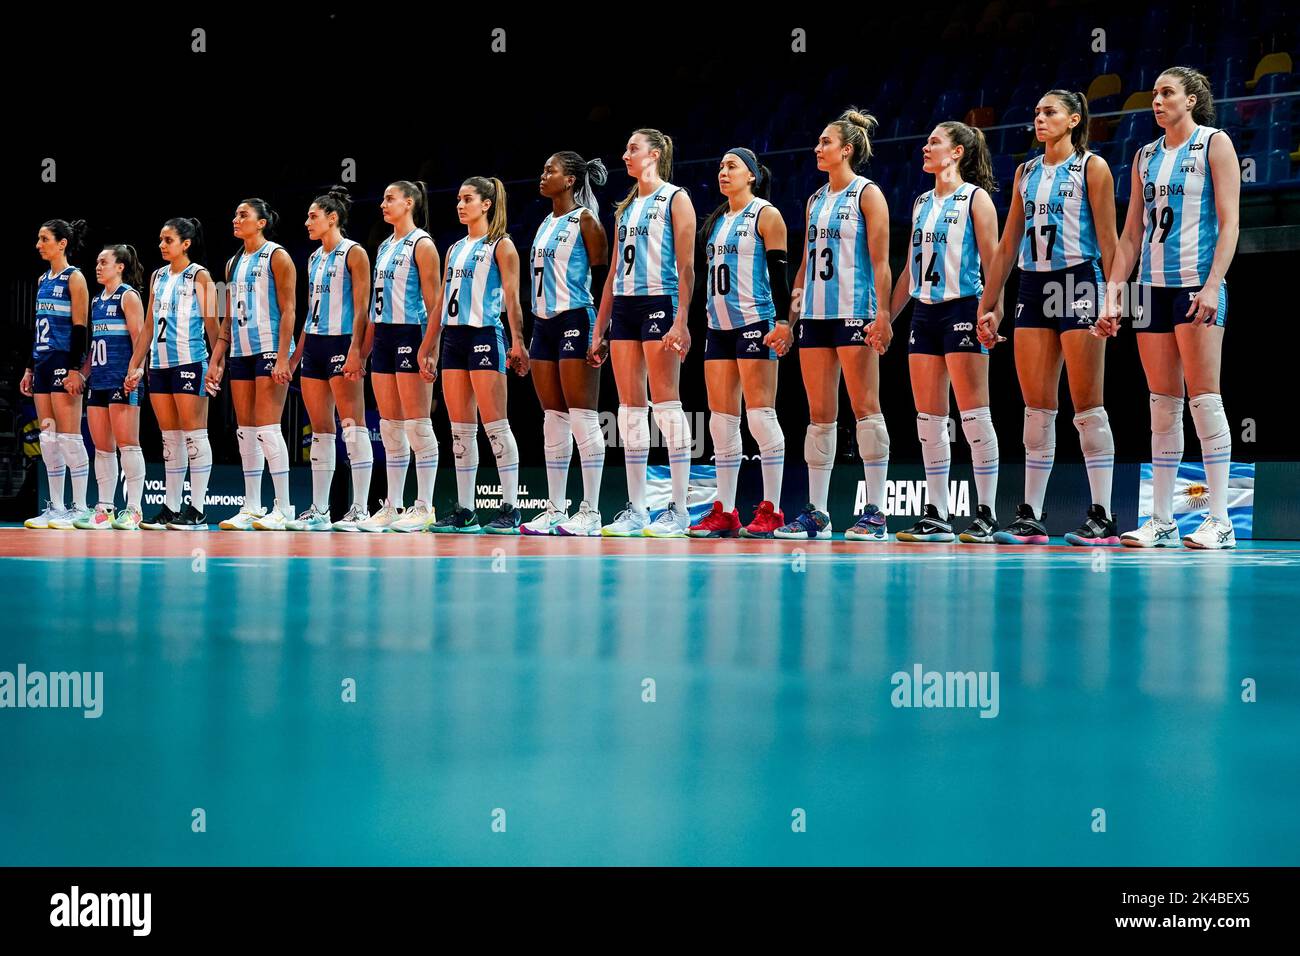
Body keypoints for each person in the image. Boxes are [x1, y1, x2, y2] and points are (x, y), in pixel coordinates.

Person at [1098, 67, 1240, 550]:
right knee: (1162, 406)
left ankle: (1219, 519)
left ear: (1192, 99)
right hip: (1152, 289)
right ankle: (1162, 519)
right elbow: (1132, 233)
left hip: (1196, 284)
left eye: (1166, 93)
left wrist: (1212, 285)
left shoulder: (1214, 144)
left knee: (1204, 400)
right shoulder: (1144, 156)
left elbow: (1230, 224)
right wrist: (1115, 291)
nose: (1156, 101)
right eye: (1155, 93)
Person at [978, 90, 1120, 546]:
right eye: (1036, 111)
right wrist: (988, 302)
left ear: (1074, 119)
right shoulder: (1026, 171)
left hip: (1079, 279)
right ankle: (1031, 517)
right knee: (1036, 410)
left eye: (1050, 112)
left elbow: (1111, 239)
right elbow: (1006, 245)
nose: (1039, 118)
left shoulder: (1091, 167)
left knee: (1086, 406)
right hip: (1033, 285)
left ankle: (1102, 515)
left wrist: (1113, 298)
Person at [774, 110, 893, 542]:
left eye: (825, 142)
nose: (817, 148)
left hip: (855, 313)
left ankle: (876, 513)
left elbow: (881, 262)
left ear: (846, 149)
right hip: (816, 318)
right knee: (819, 417)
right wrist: (789, 320)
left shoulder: (868, 194)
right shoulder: (815, 199)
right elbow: (805, 265)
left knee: (867, 410)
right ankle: (818, 514)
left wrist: (882, 314)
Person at [883, 122, 1001, 543]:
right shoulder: (920, 203)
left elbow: (994, 262)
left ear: (957, 153)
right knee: (930, 420)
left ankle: (986, 513)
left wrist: (993, 312)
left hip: (964, 307)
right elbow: (909, 270)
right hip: (924, 314)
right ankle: (937, 514)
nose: (925, 146)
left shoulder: (975, 199)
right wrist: (886, 318)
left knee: (973, 415)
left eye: (934, 141)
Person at [587, 128, 697, 537]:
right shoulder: (626, 208)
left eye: (633, 148)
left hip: (660, 302)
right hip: (626, 309)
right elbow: (614, 272)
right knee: (630, 410)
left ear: (655, 154)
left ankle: (681, 510)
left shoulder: (675, 198)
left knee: (667, 404)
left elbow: (687, 266)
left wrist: (682, 319)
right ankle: (637, 510)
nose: (626, 154)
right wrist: (599, 329)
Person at [687, 148, 791, 538]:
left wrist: (783, 322)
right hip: (719, 327)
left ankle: (773, 510)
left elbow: (781, 276)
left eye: (731, 166)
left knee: (760, 416)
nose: (722, 171)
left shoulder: (766, 214)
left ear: (752, 175)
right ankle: (726, 510)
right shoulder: (716, 222)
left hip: (755, 322)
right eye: (719, 166)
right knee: (722, 421)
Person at [421, 177, 530, 534]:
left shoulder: (502, 245)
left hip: (485, 334)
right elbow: (439, 303)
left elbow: (513, 299)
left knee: (495, 425)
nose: (460, 204)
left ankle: (511, 508)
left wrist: (518, 341)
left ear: (486, 204)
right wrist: (428, 346)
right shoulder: (453, 249)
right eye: (457, 198)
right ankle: (465, 511)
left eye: (467, 199)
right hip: (453, 340)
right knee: (460, 430)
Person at [521, 152, 610, 536]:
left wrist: (601, 332)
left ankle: (591, 511)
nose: (543, 176)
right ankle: (556, 508)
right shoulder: (544, 223)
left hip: (576, 317)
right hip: (543, 324)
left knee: (582, 416)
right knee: (552, 419)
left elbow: (606, 278)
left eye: (550, 170)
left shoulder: (585, 221)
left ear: (570, 180)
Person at [287, 187, 374, 531]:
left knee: (352, 425)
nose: (307, 222)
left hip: (342, 343)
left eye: (313, 216)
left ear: (332, 217)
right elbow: (310, 311)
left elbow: (363, 307)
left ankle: (360, 508)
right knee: (321, 430)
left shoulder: (353, 253)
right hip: (315, 345)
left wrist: (356, 351)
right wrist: (295, 356)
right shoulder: (313, 258)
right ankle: (320, 509)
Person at [22, 219, 90, 529]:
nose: (38, 245)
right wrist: (29, 367)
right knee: (48, 437)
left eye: (44, 238)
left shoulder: (74, 278)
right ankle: (56, 507)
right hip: (42, 363)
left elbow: (80, 328)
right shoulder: (41, 280)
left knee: (69, 438)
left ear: (62, 243)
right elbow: (34, 328)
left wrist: (76, 369)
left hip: (64, 360)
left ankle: (80, 507)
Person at [74, 245, 147, 529]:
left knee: (128, 444)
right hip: (100, 381)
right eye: (97, 261)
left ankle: (134, 509)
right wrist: (83, 374)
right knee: (103, 448)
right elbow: (95, 346)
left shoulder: (127, 296)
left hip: (122, 379)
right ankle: (104, 509)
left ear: (120, 266)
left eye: (104, 262)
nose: (98, 266)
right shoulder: (96, 301)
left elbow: (140, 338)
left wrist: (136, 371)